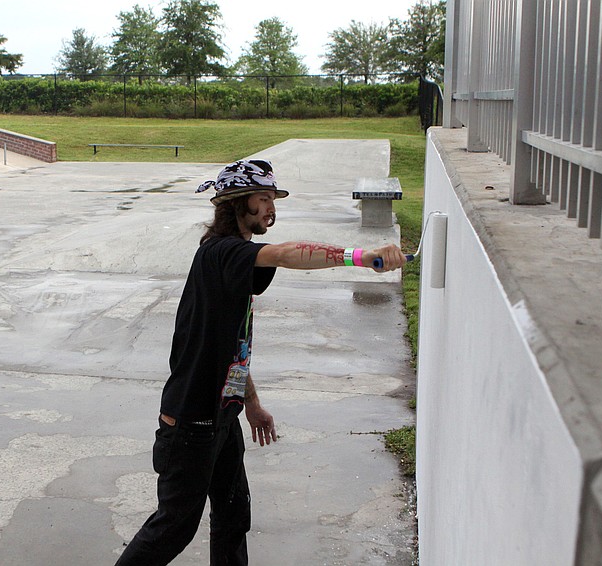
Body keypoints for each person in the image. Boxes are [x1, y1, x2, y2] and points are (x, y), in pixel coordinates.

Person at [114, 159, 407, 566]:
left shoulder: (231, 259)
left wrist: (249, 403)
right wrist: (360, 256)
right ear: (238, 202)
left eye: (273, 199)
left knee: (233, 517)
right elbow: (287, 254)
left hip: (222, 417)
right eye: (264, 198)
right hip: (191, 423)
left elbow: (230, 342)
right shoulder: (222, 253)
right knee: (174, 526)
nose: (272, 208)